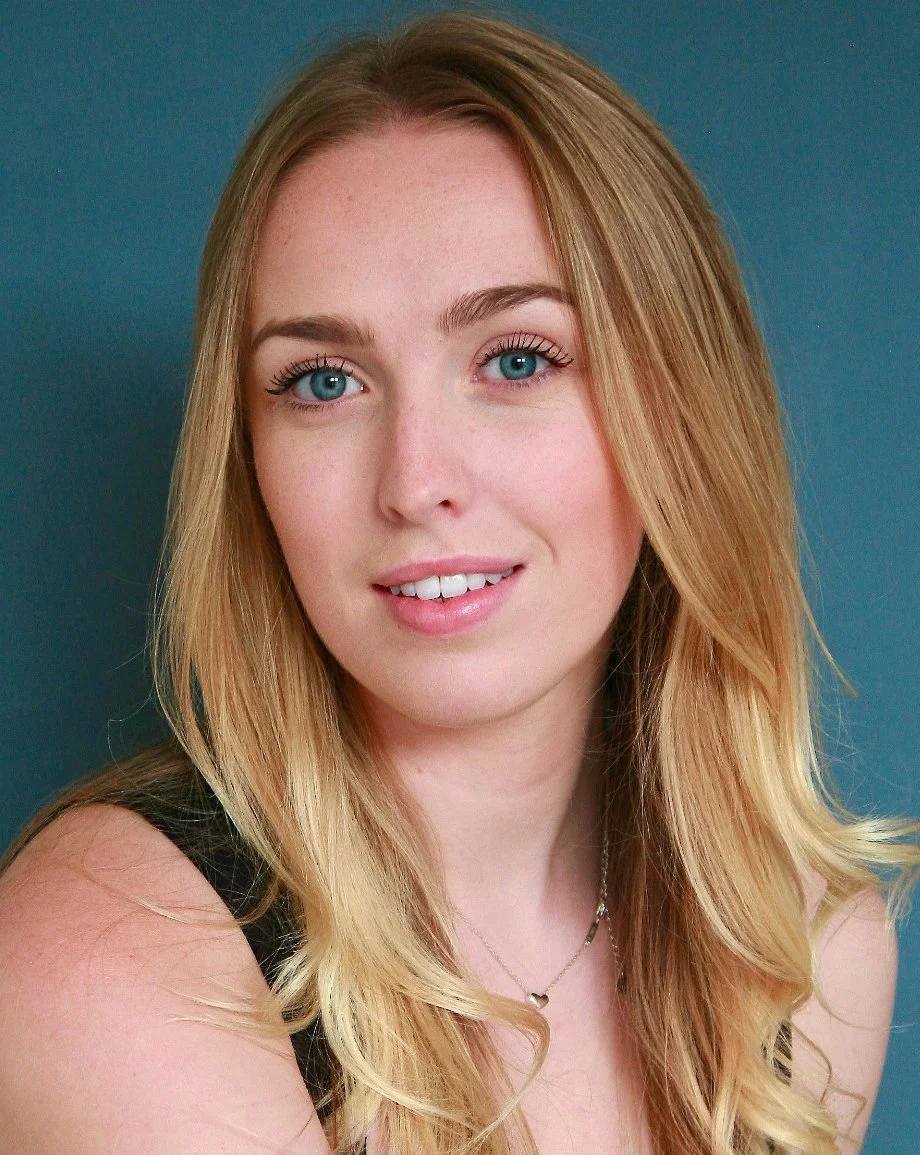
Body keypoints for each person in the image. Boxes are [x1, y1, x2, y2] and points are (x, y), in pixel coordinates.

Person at [0, 10, 916, 1154]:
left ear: (680, 419)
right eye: (322, 381)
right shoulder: (109, 952)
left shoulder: (805, 955)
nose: (414, 482)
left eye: (516, 359)